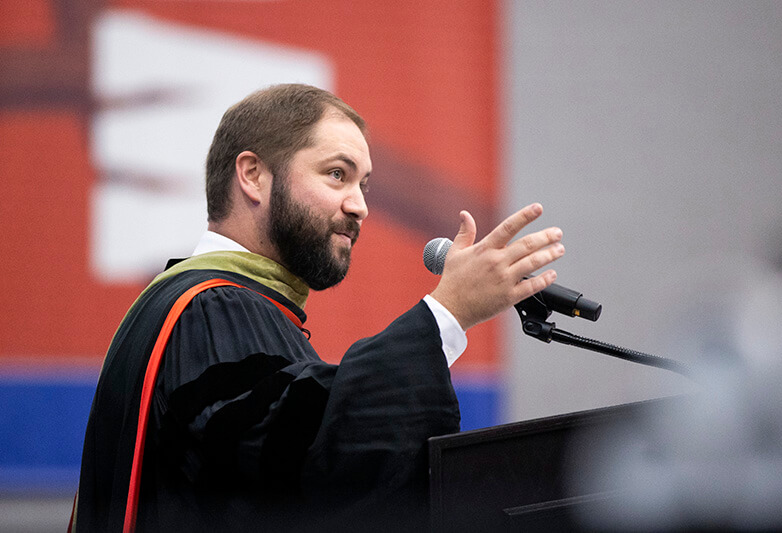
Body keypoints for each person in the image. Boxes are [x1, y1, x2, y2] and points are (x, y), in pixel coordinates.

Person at [73, 84, 565, 532]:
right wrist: (447, 313)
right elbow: (304, 471)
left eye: (364, 185)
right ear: (253, 175)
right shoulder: (212, 307)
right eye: (337, 175)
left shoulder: (202, 305)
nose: (359, 206)